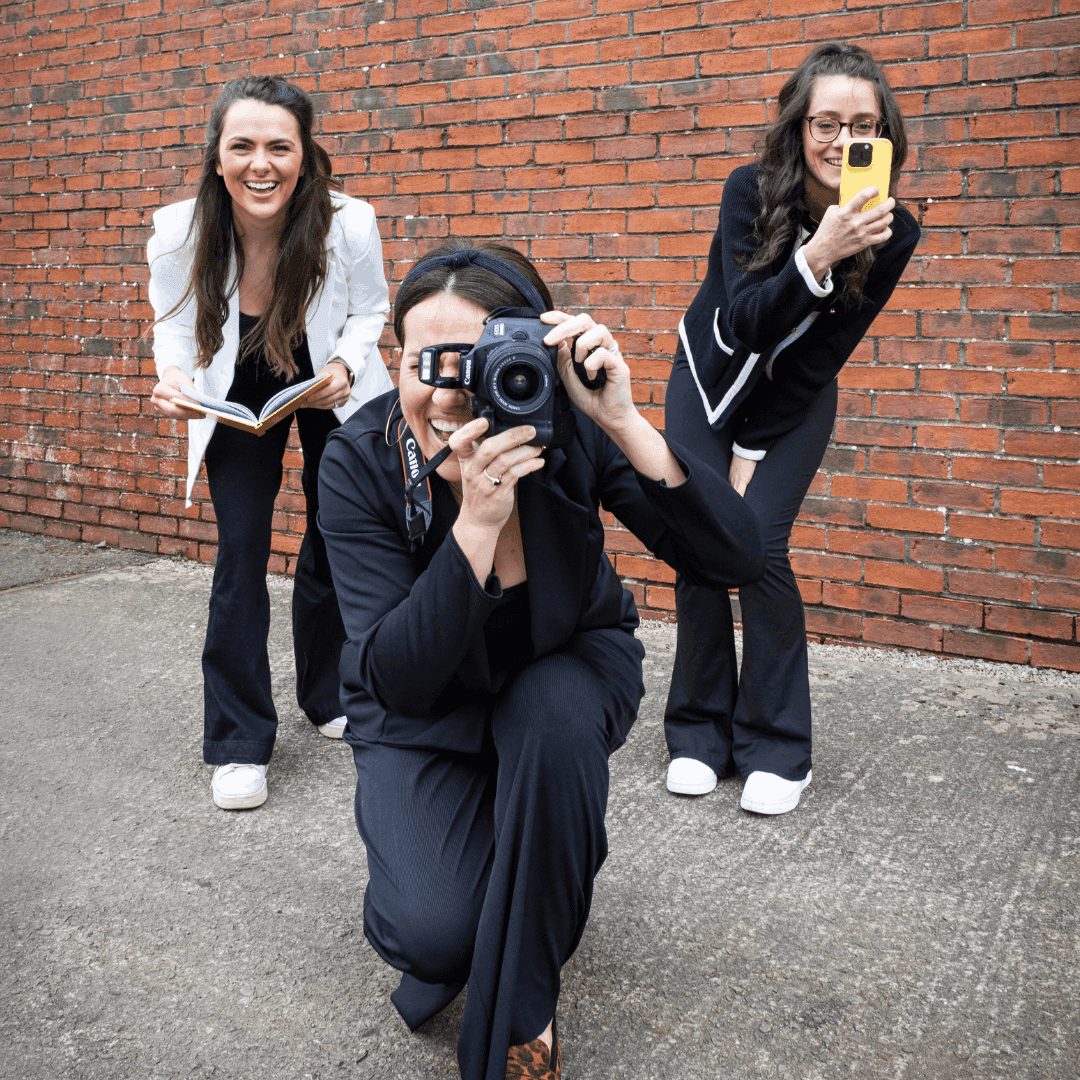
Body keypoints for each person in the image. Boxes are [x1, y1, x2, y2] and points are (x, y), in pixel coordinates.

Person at [317, 241, 764, 1079]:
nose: (449, 394)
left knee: (552, 718)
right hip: (424, 704)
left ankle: (522, 1017)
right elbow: (397, 677)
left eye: (475, 361)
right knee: (432, 934)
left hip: (564, 663)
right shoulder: (359, 461)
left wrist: (623, 419)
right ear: (395, 362)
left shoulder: (567, 425)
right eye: (425, 364)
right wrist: (475, 524)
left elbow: (733, 560)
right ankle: (540, 857)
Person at [663, 42, 920, 814]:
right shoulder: (749, 191)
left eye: (864, 125)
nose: (844, 141)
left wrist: (753, 447)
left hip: (795, 397)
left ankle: (777, 745)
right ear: (798, 128)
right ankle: (698, 731)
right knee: (700, 538)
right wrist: (819, 254)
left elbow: (820, 356)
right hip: (709, 376)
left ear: (886, 135)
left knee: (759, 544)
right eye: (826, 123)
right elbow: (745, 322)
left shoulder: (894, 230)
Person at [147, 76, 391, 810]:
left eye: (280, 147)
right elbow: (174, 324)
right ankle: (238, 741)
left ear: (305, 156)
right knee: (242, 549)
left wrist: (346, 365)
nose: (262, 164)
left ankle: (330, 694)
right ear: (217, 157)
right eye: (243, 146)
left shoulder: (349, 223)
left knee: (336, 534)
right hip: (236, 379)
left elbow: (371, 307)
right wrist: (173, 379)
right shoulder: (180, 230)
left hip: (325, 377)